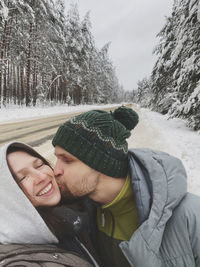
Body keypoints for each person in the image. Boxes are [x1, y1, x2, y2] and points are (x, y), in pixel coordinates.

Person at [52, 106, 200, 267]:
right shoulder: (85, 214)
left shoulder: (189, 215)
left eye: (67, 160)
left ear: (101, 162)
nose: (55, 170)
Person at [0, 141, 97, 267]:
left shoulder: (76, 213)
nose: (41, 176)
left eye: (39, 165)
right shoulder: (18, 261)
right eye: (22, 178)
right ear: (7, 199)